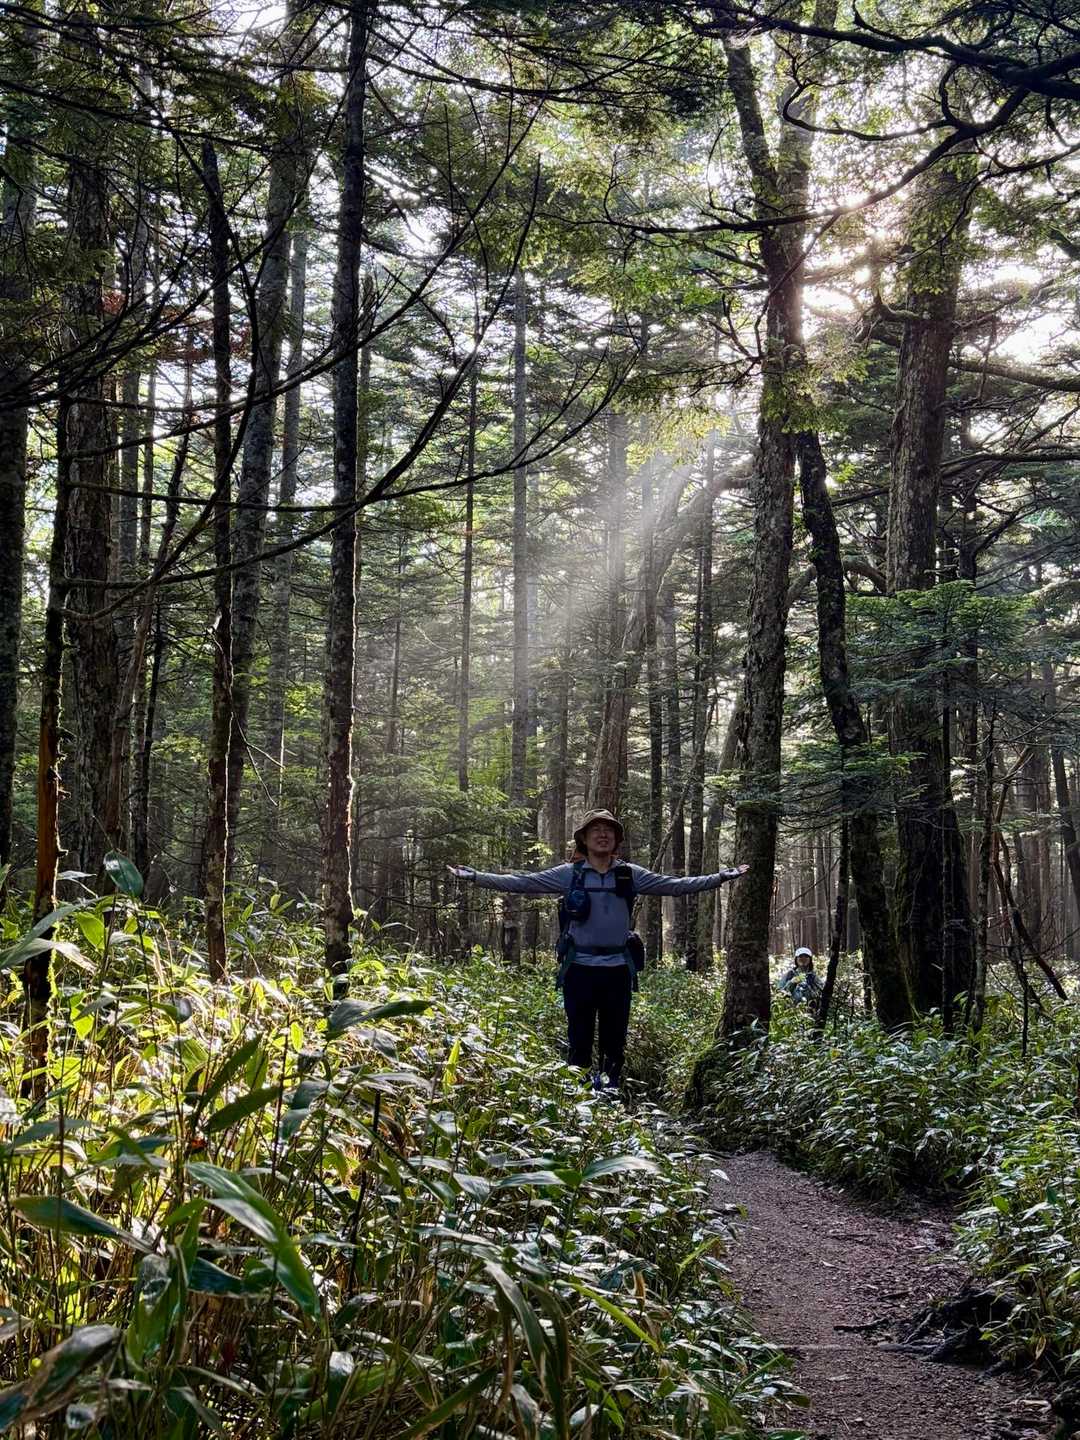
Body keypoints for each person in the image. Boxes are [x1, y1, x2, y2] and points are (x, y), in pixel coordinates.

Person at [449, 809, 748, 1093]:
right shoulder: (570, 874)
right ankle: (580, 1102)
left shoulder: (629, 874)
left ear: (617, 840)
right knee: (578, 1041)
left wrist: (721, 877)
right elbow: (524, 883)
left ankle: (609, 1096)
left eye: (609, 831)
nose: (602, 835)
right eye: (596, 830)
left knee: (614, 1043)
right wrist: (476, 877)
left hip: (618, 971)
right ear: (584, 838)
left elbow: (676, 886)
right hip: (578, 970)